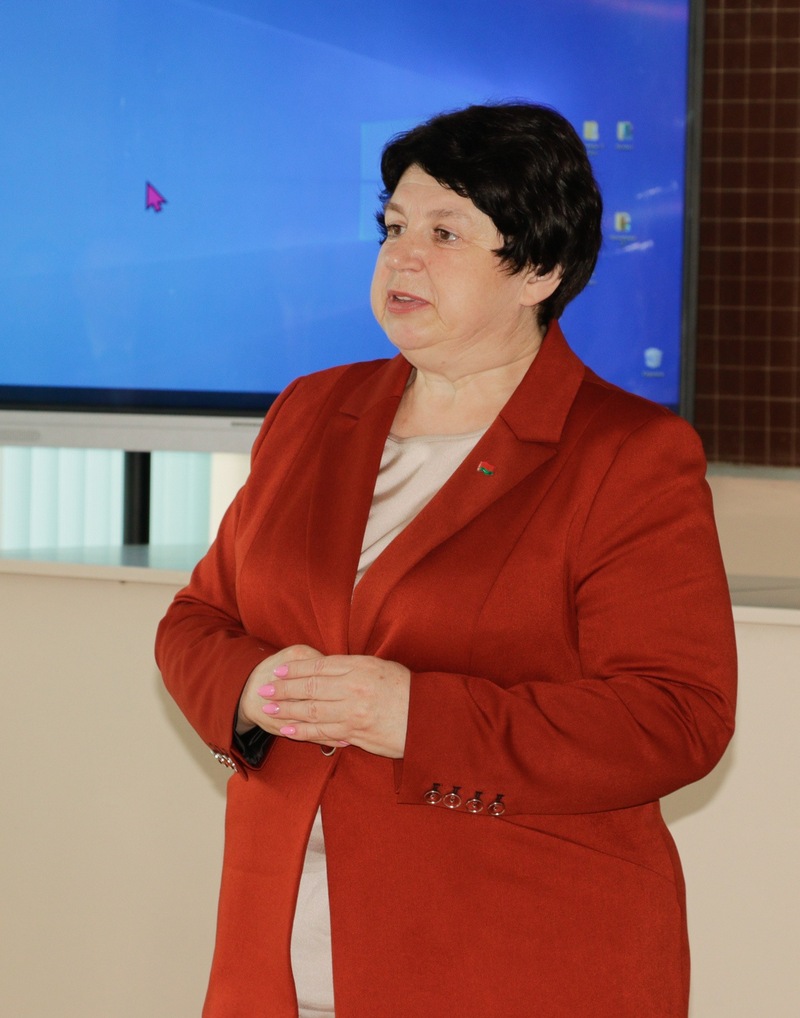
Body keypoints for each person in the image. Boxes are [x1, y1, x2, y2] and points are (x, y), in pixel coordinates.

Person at [156, 102, 737, 1018]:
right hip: (280, 953)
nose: (403, 257)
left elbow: (675, 716)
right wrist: (251, 687)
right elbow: (197, 620)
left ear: (539, 269)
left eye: (445, 233)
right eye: (393, 228)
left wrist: (416, 717)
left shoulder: (627, 453)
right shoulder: (311, 411)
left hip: (513, 960)